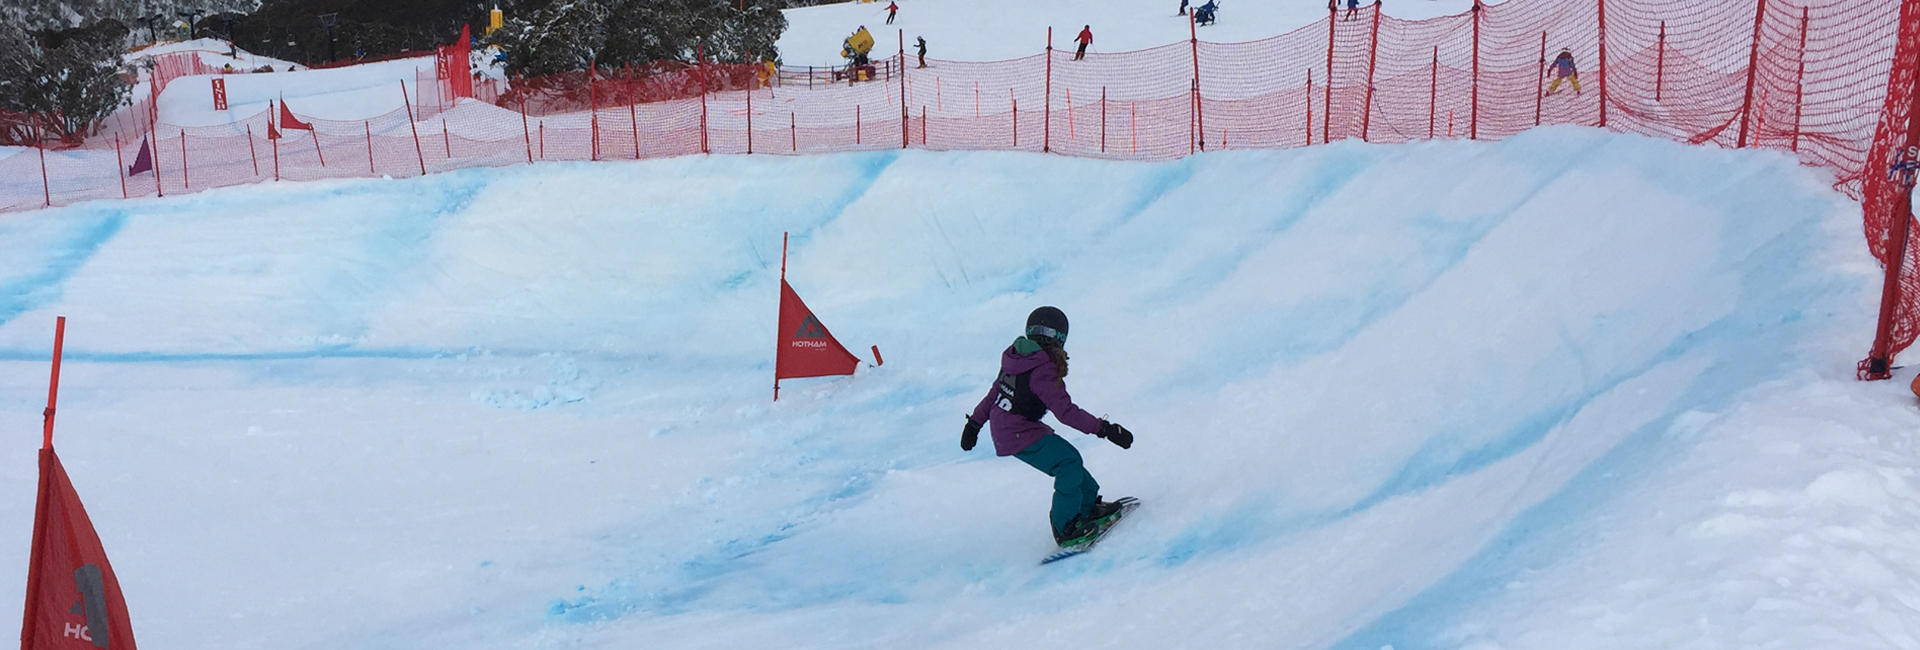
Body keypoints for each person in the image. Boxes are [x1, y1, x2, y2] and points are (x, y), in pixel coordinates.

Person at [962, 307, 1136, 547]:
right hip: (1017, 432)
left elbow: (994, 394)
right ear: (1060, 338)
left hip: (1016, 428)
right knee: (1067, 463)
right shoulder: (1042, 369)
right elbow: (1065, 412)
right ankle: (1065, 526)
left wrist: (974, 424)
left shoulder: (1017, 358)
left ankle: (1087, 507)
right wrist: (1104, 429)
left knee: (1069, 458)